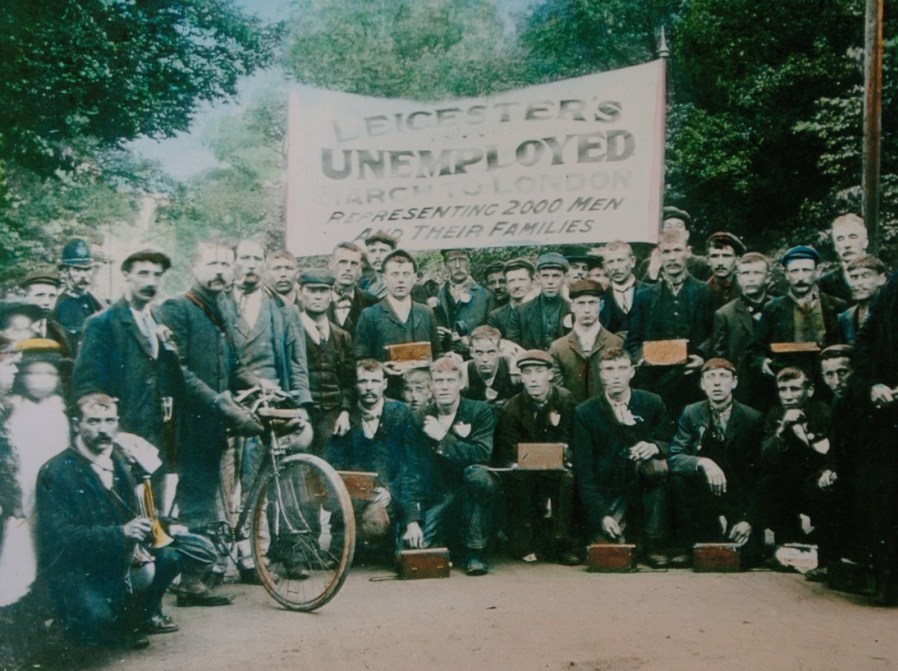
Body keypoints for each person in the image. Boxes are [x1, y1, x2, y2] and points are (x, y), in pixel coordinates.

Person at [35, 394, 181, 649]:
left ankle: (132, 619)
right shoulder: (57, 471)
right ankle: (77, 623)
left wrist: (168, 525)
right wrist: (121, 533)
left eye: (109, 420)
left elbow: (137, 510)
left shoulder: (120, 461)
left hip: (115, 558)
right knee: (95, 618)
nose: (103, 429)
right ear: (76, 424)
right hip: (78, 568)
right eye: (93, 421)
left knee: (173, 555)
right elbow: (61, 538)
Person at [158, 241, 261, 604]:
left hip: (213, 420)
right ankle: (191, 581)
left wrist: (260, 384)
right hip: (186, 423)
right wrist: (219, 401)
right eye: (212, 263)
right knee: (198, 500)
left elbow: (233, 366)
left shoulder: (220, 309)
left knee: (206, 497)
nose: (220, 270)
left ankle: (198, 569)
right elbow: (178, 370)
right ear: (194, 268)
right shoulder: (178, 308)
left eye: (225, 264)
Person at [73, 248, 183, 486]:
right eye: (143, 274)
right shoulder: (102, 323)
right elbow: (87, 386)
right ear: (126, 275)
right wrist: (113, 431)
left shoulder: (159, 320)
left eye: (157, 275)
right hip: (122, 438)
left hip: (158, 437)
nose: (151, 282)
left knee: (156, 514)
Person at [570, 348, 673, 567]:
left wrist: (654, 447)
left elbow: (671, 443)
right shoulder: (585, 412)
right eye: (609, 369)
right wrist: (601, 515)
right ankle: (611, 530)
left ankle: (654, 543)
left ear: (632, 372)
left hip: (641, 486)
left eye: (622, 368)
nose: (616, 375)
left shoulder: (652, 402)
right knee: (609, 552)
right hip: (606, 490)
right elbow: (584, 472)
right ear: (601, 375)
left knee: (657, 468)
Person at [402, 356, 498, 575]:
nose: (444, 387)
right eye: (438, 381)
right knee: (414, 548)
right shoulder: (418, 418)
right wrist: (411, 520)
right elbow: (412, 470)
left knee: (477, 475)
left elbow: (482, 454)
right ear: (431, 386)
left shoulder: (479, 411)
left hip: (471, 488)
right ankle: (448, 541)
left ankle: (475, 551)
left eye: (450, 380)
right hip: (439, 494)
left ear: (461, 384)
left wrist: (442, 438)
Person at [668, 358, 765, 567]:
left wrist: (748, 520)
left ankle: (734, 530)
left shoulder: (752, 418)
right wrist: (704, 462)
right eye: (710, 377)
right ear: (702, 384)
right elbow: (675, 456)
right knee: (678, 479)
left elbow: (761, 476)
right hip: (706, 494)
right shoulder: (691, 412)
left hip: (739, 499)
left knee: (747, 558)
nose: (717, 383)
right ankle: (693, 542)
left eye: (724, 376)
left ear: (735, 382)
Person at [493, 349, 580, 564]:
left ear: (550, 374)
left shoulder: (565, 400)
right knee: (517, 481)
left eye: (539, 371)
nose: (533, 379)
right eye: (527, 372)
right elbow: (508, 448)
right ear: (521, 377)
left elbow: (569, 437)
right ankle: (526, 541)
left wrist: (559, 455)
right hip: (526, 469)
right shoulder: (512, 408)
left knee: (567, 480)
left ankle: (564, 543)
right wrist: (520, 460)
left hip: (557, 465)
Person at [324, 360, 416, 552]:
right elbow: (334, 463)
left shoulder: (401, 413)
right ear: (355, 385)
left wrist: (390, 491)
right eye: (363, 381)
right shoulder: (344, 418)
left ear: (385, 384)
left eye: (375, 381)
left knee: (383, 530)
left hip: (390, 492)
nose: (369, 387)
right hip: (354, 496)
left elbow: (410, 464)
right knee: (340, 551)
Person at [626, 229, 714, 416]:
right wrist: (643, 358)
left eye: (677, 250)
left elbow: (715, 333)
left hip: (693, 383)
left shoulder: (705, 292)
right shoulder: (644, 296)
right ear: (659, 255)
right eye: (666, 252)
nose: (672, 258)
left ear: (687, 252)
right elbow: (632, 341)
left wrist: (701, 357)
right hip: (655, 384)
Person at [849, 270, 898, 603]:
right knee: (884, 496)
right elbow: (863, 345)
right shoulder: (893, 288)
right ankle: (888, 581)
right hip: (888, 411)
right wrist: (872, 385)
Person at [748, 246, 846, 390]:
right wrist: (762, 363)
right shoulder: (773, 308)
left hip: (828, 387)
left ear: (817, 272)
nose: (800, 277)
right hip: (788, 387)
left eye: (806, 270)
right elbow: (755, 349)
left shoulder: (836, 306)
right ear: (786, 274)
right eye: (794, 271)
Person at [759, 367, 832, 551]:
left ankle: (825, 541)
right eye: (782, 389)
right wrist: (782, 429)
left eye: (794, 389)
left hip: (818, 477)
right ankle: (790, 539)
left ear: (810, 390)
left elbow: (833, 452)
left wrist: (826, 470)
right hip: (789, 483)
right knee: (770, 483)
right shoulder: (775, 414)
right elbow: (766, 458)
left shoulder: (824, 412)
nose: (788, 396)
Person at [354, 249, 441, 376]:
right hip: (388, 389)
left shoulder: (427, 313)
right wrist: (383, 368)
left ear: (415, 278)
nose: (401, 280)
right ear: (384, 278)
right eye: (395, 274)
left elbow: (436, 352)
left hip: (422, 389)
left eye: (406, 274)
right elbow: (360, 359)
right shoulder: (369, 315)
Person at [298, 268, 355, 455]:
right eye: (311, 291)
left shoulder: (342, 336)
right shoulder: (291, 332)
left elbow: (348, 381)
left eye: (322, 291)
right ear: (301, 294)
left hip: (332, 417)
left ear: (331, 295)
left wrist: (345, 412)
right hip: (300, 416)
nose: (317, 297)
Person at [710, 252, 774, 407]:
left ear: (768, 277)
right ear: (738, 277)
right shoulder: (725, 314)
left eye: (757, 273)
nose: (750, 278)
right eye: (745, 273)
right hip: (743, 391)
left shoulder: (780, 307)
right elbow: (720, 357)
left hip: (776, 386)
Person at [549, 279, 624, 403]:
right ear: (572, 307)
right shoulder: (558, 348)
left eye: (592, 303)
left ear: (601, 305)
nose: (587, 310)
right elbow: (558, 394)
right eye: (581, 303)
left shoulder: (616, 343)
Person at [432, 249, 495, 357]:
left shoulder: (485, 296)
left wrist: (470, 341)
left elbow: (494, 333)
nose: (458, 265)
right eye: (452, 260)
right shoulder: (437, 295)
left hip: (475, 361)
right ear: (445, 265)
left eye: (462, 260)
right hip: (446, 361)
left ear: (469, 262)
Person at [509, 252, 572, 350]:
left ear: (565, 278)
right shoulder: (521, 311)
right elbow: (513, 347)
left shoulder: (573, 310)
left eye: (556, 276)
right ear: (538, 278)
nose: (550, 281)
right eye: (545, 276)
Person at [54, 238, 103, 357]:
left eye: (87, 269)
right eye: (77, 269)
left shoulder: (95, 303)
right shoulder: (58, 305)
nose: (83, 275)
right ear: (65, 272)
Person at [462, 325, 520, 408]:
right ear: (471, 352)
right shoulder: (464, 373)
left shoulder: (513, 369)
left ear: (500, 351)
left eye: (491, 352)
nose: (485, 359)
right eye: (479, 353)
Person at [19, 270, 72, 358]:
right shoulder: (9, 331)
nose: (47, 302)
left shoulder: (61, 332)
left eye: (52, 296)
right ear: (24, 297)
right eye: (40, 295)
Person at [819, 213, 869, 302]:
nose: (847, 244)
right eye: (840, 239)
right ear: (835, 247)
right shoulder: (824, 285)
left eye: (853, 237)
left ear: (865, 243)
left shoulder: (886, 281)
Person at [599, 240, 644, 339]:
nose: (615, 267)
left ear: (632, 262)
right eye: (610, 262)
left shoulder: (652, 292)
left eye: (620, 260)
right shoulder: (600, 299)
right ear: (604, 266)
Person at [838, 254, 887, 344]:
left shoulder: (892, 311)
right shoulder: (845, 318)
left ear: (881, 279)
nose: (858, 282)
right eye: (854, 277)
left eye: (866, 275)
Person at [328, 242, 375, 334]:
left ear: (360, 269)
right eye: (343, 262)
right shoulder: (316, 300)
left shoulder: (371, 302)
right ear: (331, 265)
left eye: (354, 263)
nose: (348, 268)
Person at [487, 257, 538, 342]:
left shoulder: (545, 309)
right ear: (506, 284)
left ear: (532, 282)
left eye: (521, 280)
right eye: (511, 281)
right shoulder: (496, 317)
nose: (516, 285)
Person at [705, 232, 746, 310]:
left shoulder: (746, 290)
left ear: (737, 260)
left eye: (726, 256)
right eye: (715, 256)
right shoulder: (699, 291)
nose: (720, 262)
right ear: (708, 260)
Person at [359, 231, 398, 301]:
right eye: (373, 251)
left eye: (382, 250)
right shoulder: (364, 285)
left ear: (393, 255)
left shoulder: (405, 283)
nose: (377, 256)